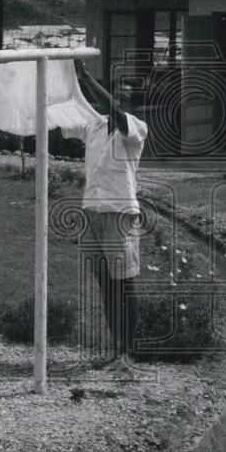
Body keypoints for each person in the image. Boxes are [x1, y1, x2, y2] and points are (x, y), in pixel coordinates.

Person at [65, 61, 148, 366]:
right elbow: (65, 116)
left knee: (123, 283)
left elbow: (114, 110)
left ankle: (128, 352)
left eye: (125, 98)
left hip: (119, 212)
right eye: (118, 95)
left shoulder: (136, 129)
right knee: (105, 283)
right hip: (92, 211)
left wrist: (85, 76)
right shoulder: (94, 126)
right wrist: (64, 82)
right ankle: (117, 350)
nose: (118, 100)